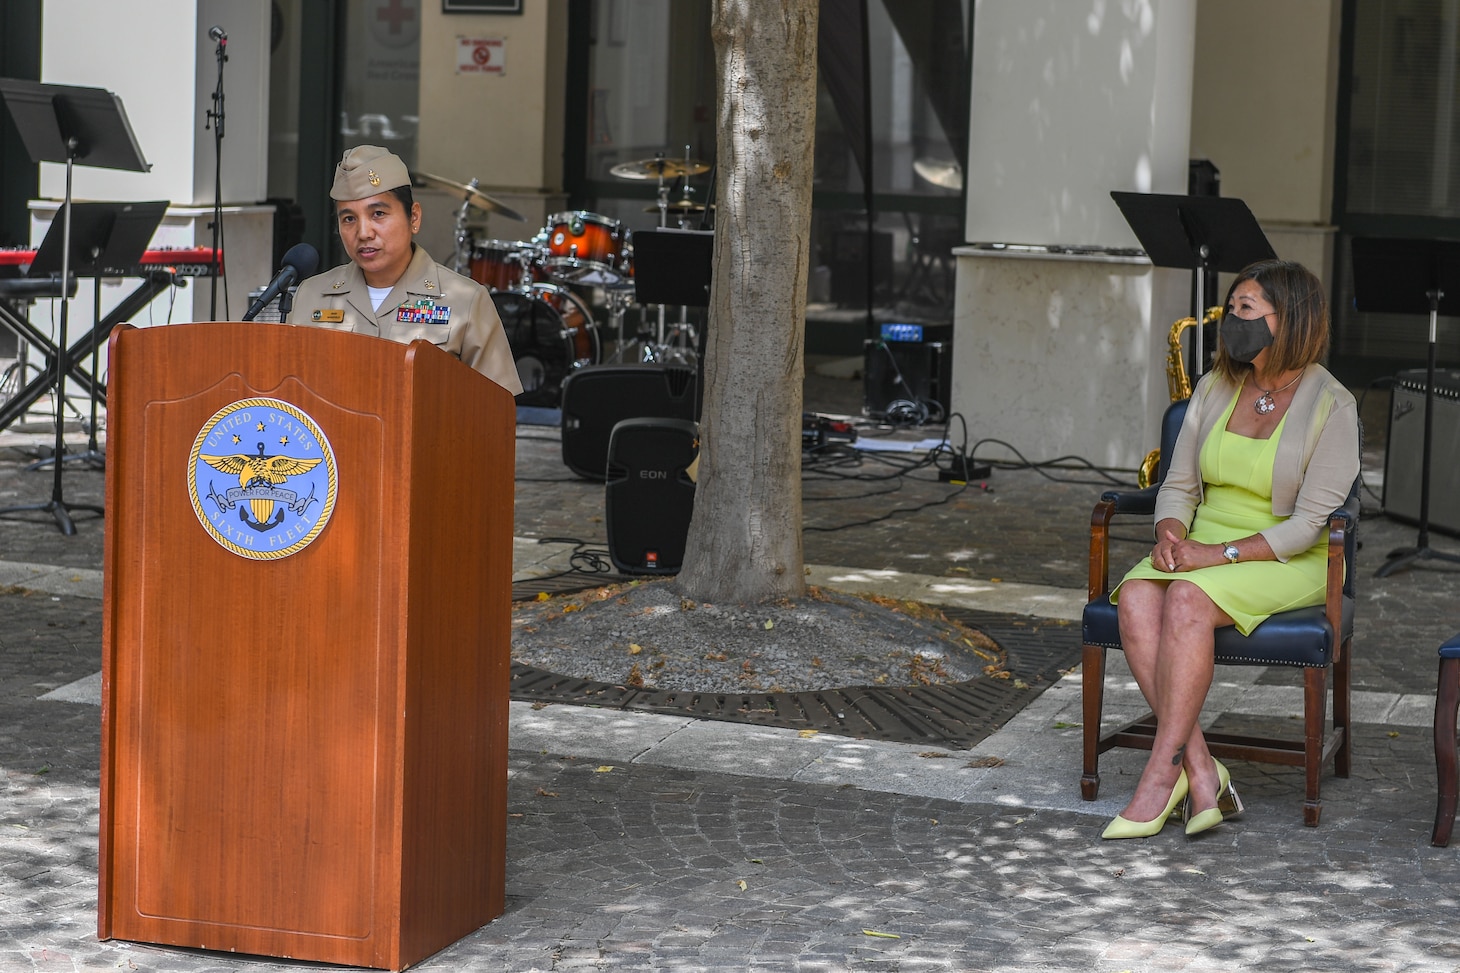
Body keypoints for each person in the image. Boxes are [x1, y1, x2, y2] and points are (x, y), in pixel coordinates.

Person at [1102, 259, 1359, 839]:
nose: (1229, 321)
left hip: (1288, 554)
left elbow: (1311, 523)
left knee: (1188, 599)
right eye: (1232, 308)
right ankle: (1199, 766)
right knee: (1138, 596)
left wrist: (1215, 557)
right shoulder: (1218, 385)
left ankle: (1157, 777)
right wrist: (1171, 533)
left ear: (1287, 320)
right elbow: (1179, 485)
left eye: (1244, 310)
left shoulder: (1332, 405)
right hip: (1201, 542)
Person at [287, 145, 523, 395]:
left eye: (378, 213)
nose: (364, 232)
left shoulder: (465, 300)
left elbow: (496, 413)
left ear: (414, 218)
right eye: (349, 219)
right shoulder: (311, 295)